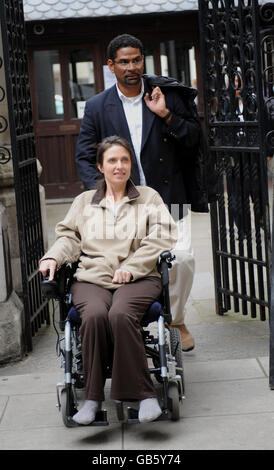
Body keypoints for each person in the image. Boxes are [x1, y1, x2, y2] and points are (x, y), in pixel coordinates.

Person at [75, 33, 207, 351]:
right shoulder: (97, 107)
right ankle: (136, 314)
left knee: (182, 259)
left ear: (142, 60)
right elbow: (84, 156)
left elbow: (194, 141)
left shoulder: (168, 96)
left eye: (136, 59)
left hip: (169, 196)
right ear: (111, 66)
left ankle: (175, 319)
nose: (131, 66)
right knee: (132, 261)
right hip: (124, 202)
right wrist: (105, 196)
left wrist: (166, 115)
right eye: (123, 61)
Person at [39, 135, 177, 425]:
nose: (119, 166)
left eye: (124, 160)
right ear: (100, 166)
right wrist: (53, 256)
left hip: (138, 278)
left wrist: (133, 265)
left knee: (121, 314)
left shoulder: (148, 197)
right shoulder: (84, 202)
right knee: (94, 316)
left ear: (131, 165)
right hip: (93, 278)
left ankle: (144, 395)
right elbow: (68, 237)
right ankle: (91, 397)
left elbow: (163, 235)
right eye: (112, 160)